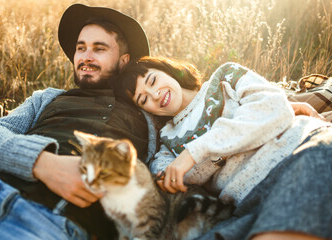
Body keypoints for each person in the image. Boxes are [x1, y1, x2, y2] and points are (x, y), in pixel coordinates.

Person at [0, 4, 158, 240]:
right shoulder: (47, 97)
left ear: (124, 61)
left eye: (99, 49)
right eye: (81, 48)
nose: (85, 57)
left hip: (49, 224)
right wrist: (42, 163)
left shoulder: (146, 113)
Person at [115, 56, 332, 240]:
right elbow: (170, 178)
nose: (155, 95)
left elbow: (273, 108)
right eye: (143, 99)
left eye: (153, 81)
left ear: (167, 69)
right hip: (248, 200)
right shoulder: (167, 144)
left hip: (299, 150)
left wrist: (193, 154)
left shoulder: (226, 77)